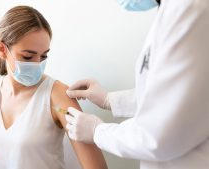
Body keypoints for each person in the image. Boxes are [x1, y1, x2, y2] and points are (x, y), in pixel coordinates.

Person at [65, 0, 209, 169]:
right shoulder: (173, 11)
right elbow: (175, 93)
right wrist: (109, 100)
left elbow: (158, 136)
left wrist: (98, 131)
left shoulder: (190, 9)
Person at [0, 5, 108, 169]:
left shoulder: (58, 95)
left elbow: (96, 167)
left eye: (44, 56)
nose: (37, 64)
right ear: (2, 49)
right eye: (28, 56)